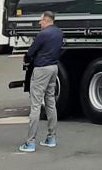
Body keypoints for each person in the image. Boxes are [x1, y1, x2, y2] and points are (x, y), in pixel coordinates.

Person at [19, 11, 64, 153]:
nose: (39, 23)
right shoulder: (59, 33)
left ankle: (30, 142)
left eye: (41, 21)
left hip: (41, 69)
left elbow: (31, 52)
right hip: (54, 68)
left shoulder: (43, 34)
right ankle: (51, 138)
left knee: (36, 104)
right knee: (50, 101)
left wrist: (26, 58)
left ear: (46, 20)